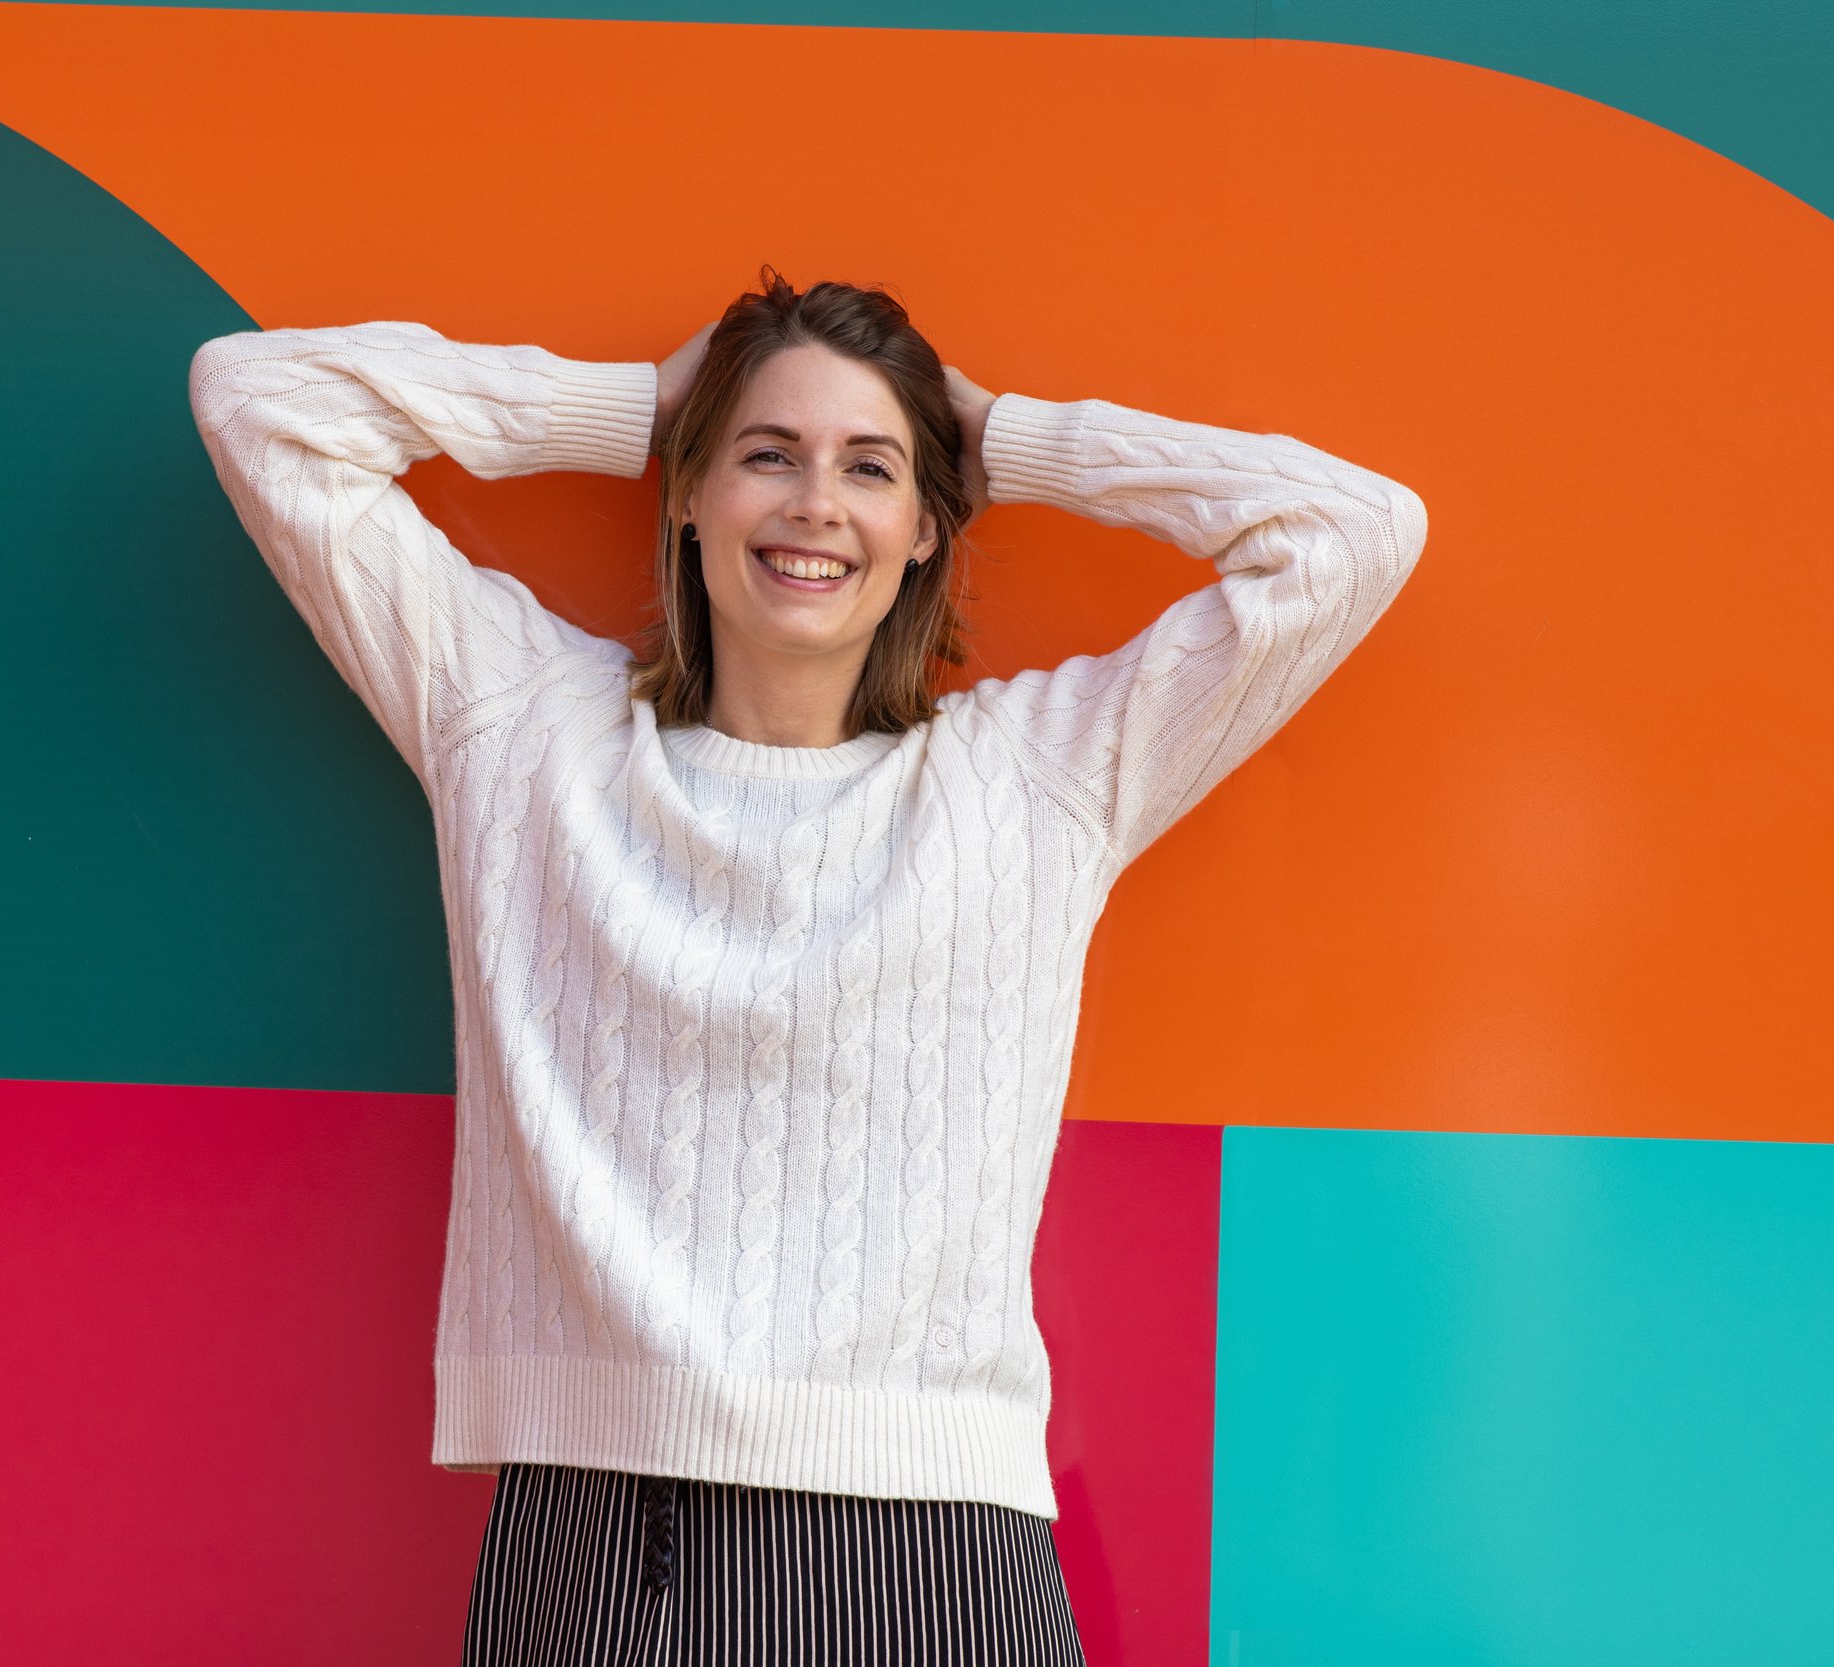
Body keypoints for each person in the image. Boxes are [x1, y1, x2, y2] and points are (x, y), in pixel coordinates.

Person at [188, 270, 1426, 1664]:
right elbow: (260, 404)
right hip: (604, 1540)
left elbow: (1349, 535)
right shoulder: (522, 728)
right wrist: (629, 406)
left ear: (921, 533)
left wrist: (1007, 438)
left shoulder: (1034, 780)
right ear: (689, 493)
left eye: (872, 469)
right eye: (765, 454)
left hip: (934, 1549)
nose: (814, 504)